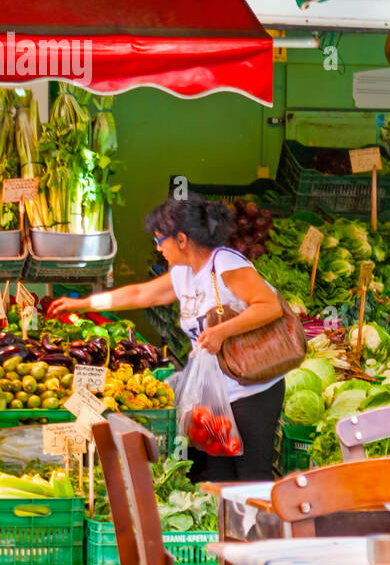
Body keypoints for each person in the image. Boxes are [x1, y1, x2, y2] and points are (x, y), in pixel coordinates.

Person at [47, 193, 286, 481]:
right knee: (219, 476)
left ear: (182, 239)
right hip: (217, 393)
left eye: (161, 240)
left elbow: (269, 306)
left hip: (252, 389)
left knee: (251, 475)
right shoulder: (184, 273)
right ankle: (230, 528)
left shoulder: (225, 263)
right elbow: (140, 294)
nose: (158, 248)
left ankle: (262, 527)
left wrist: (222, 331)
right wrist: (83, 304)